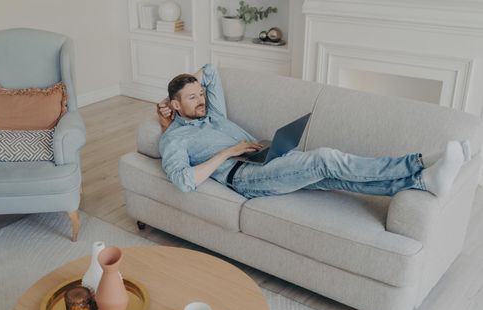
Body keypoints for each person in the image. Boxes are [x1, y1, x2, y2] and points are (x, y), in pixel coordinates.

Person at [157, 64, 469, 199]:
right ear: (175, 103)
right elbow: (184, 182)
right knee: (324, 159)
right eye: (192, 97)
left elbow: (210, 71)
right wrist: (228, 151)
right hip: (242, 176)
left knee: (333, 176)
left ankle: (423, 181)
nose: (201, 100)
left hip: (261, 158)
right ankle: (417, 163)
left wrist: (187, 88)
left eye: (201, 94)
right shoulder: (175, 138)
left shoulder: (213, 114)